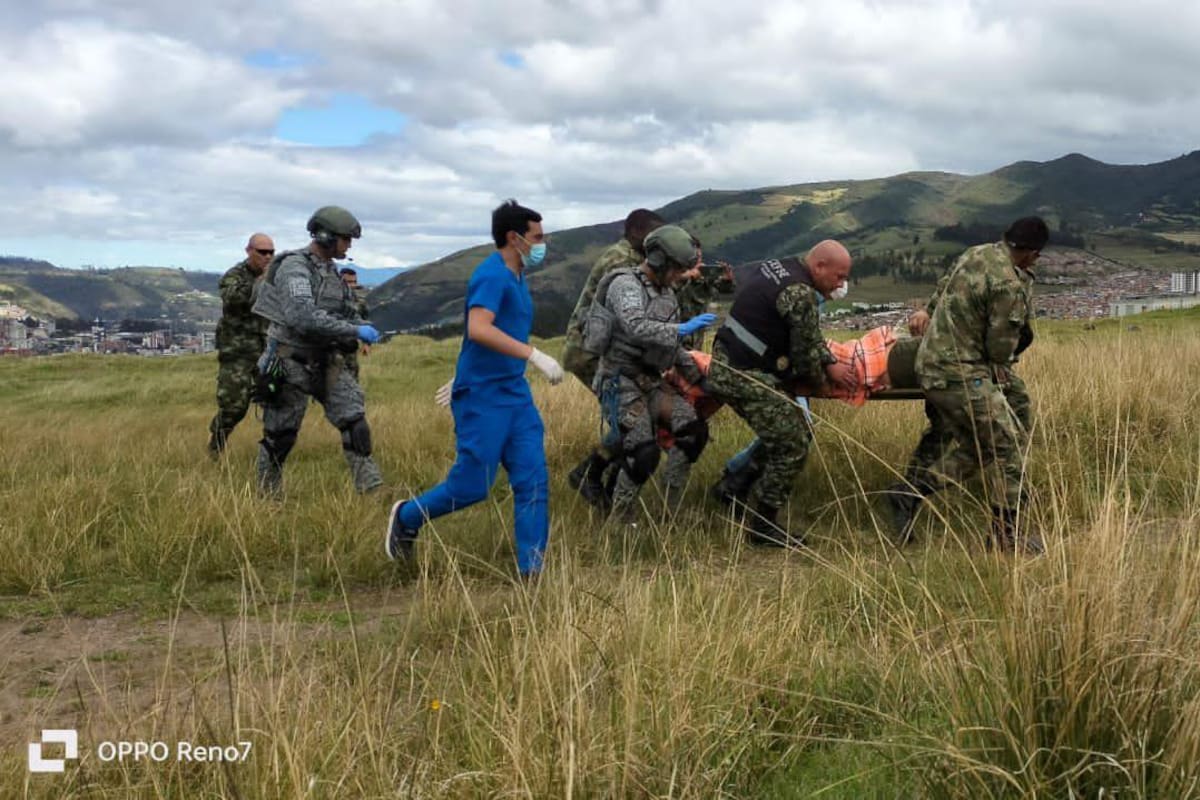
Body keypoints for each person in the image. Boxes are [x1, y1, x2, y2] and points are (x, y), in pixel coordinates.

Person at [386, 200, 564, 578]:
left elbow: (495, 334)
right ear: (514, 238)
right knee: (473, 485)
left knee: (533, 481)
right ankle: (406, 516)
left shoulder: (517, 277)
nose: (543, 243)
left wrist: (465, 368)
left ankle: (532, 571)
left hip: (514, 394)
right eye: (537, 237)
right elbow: (479, 328)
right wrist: (534, 355)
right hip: (483, 399)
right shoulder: (492, 275)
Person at [885, 216, 1048, 553]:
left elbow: (943, 289)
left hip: (933, 364)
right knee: (1008, 444)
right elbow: (999, 348)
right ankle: (1005, 536)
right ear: (1032, 254)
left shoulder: (975, 254)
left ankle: (909, 493)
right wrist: (1011, 349)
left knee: (984, 443)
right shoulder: (1008, 285)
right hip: (959, 372)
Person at [706, 240, 856, 547]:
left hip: (729, 359)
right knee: (793, 442)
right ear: (819, 267)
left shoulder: (781, 267)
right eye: (839, 277)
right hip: (743, 373)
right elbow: (804, 356)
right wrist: (824, 383)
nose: (842, 283)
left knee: (793, 426)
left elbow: (806, 336)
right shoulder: (800, 293)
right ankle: (763, 525)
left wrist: (828, 361)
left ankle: (733, 486)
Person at [251, 206, 383, 496]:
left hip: (325, 361)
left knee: (355, 424)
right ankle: (266, 496)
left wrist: (361, 326)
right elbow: (302, 317)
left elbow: (348, 310)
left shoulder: (331, 273)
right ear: (325, 236)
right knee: (280, 437)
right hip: (288, 361)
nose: (348, 245)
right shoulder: (294, 268)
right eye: (345, 239)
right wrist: (353, 331)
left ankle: (372, 491)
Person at [587, 224, 715, 523]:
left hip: (652, 381)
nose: (679, 275)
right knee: (643, 452)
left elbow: (669, 345)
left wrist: (699, 377)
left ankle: (672, 510)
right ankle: (620, 519)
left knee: (693, 433)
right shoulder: (625, 286)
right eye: (676, 268)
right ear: (659, 260)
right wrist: (681, 328)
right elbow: (635, 325)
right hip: (620, 381)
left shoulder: (667, 294)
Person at [562, 209, 666, 506]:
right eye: (652, 234)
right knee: (632, 420)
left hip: (602, 348)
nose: (657, 241)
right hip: (591, 352)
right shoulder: (622, 262)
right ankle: (593, 477)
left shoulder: (634, 259)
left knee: (634, 419)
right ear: (634, 231)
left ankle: (600, 478)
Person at [207, 233, 273, 457]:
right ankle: (217, 442)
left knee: (277, 398)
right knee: (235, 405)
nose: (267, 256)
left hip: (267, 349)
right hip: (238, 351)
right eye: (262, 252)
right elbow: (235, 299)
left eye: (271, 252)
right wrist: (261, 281)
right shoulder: (234, 276)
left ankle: (272, 452)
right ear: (249, 251)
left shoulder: (273, 277)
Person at [338, 266, 370, 381]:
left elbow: (364, 321)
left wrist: (366, 343)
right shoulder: (329, 298)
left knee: (352, 376)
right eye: (348, 282)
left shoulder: (360, 300)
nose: (352, 285)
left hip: (350, 345)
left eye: (354, 281)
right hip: (329, 345)